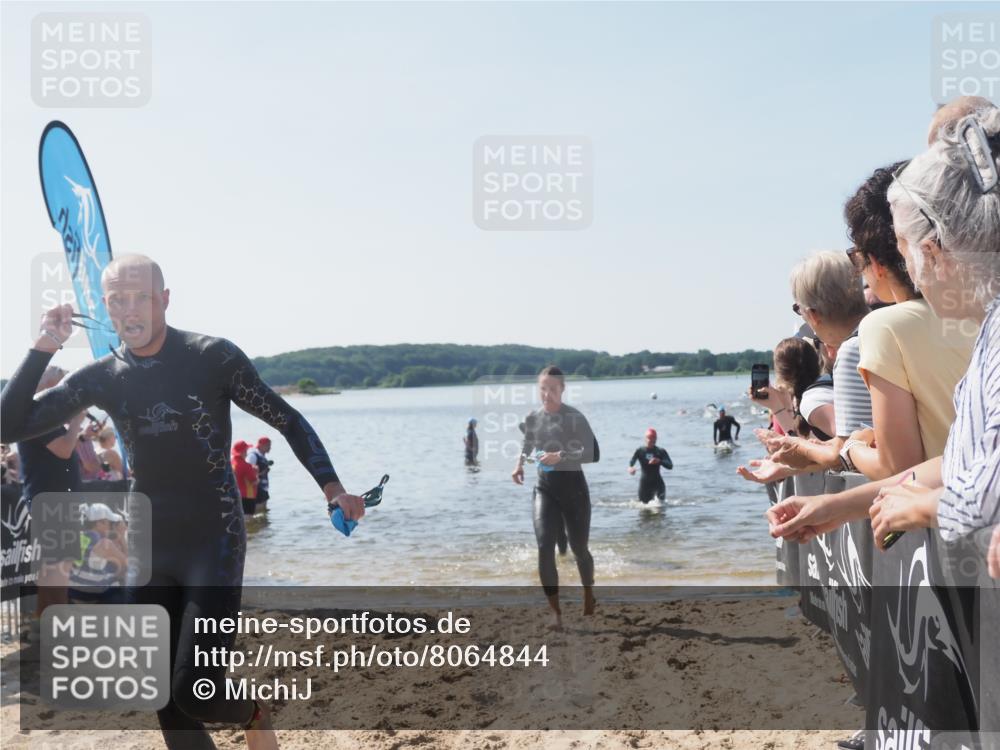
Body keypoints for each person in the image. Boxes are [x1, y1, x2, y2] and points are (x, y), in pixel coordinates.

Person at [1, 254, 367, 750]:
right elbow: (8, 425)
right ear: (105, 307)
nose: (130, 310)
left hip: (212, 539)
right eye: (117, 301)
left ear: (165, 300)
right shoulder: (102, 376)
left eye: (142, 298)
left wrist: (333, 489)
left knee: (198, 692)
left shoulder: (211, 356)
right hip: (149, 543)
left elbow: (287, 420)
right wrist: (44, 344)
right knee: (162, 694)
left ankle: (254, 713)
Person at [767, 106, 1000, 568]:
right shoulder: (985, 333)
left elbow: (984, 498)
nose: (906, 270)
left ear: (931, 252)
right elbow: (958, 466)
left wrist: (920, 506)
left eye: (906, 249)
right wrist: (837, 506)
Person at [840, 163, 977, 480]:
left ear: (876, 262)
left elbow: (898, 468)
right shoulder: (982, 311)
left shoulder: (885, 326)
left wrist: (852, 450)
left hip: (945, 522)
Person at [512, 365, 599, 631]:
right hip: (545, 489)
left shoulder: (575, 417)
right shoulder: (532, 417)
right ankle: (556, 614)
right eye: (542, 389)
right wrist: (519, 464)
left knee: (579, 549)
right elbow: (529, 442)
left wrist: (561, 456)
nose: (546, 394)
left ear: (562, 389)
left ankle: (588, 592)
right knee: (544, 546)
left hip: (574, 490)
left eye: (552, 389)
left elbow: (593, 454)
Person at [68, 502, 129, 604]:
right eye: (109, 523)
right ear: (98, 523)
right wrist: (122, 536)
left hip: (73, 591)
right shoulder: (104, 543)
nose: (111, 527)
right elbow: (127, 565)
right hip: (89, 595)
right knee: (118, 584)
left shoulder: (79, 536)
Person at [628, 428, 673, 504]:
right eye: (649, 438)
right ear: (645, 439)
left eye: (653, 439)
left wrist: (659, 461)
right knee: (643, 510)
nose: (651, 441)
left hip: (658, 484)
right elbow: (631, 462)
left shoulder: (660, 451)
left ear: (656, 439)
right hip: (644, 485)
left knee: (659, 508)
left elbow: (670, 465)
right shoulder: (640, 451)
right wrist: (631, 468)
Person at [232, 440, 259, 515]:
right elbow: (254, 482)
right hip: (248, 496)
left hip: (235, 495)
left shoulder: (231, 462)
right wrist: (256, 473)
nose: (247, 453)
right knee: (249, 520)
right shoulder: (246, 466)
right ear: (243, 452)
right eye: (246, 450)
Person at [246, 437, 273, 508]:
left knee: (264, 511)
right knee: (258, 511)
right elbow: (247, 472)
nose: (270, 448)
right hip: (256, 489)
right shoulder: (253, 455)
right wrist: (261, 474)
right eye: (268, 445)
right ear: (261, 445)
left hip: (264, 487)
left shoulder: (262, 455)